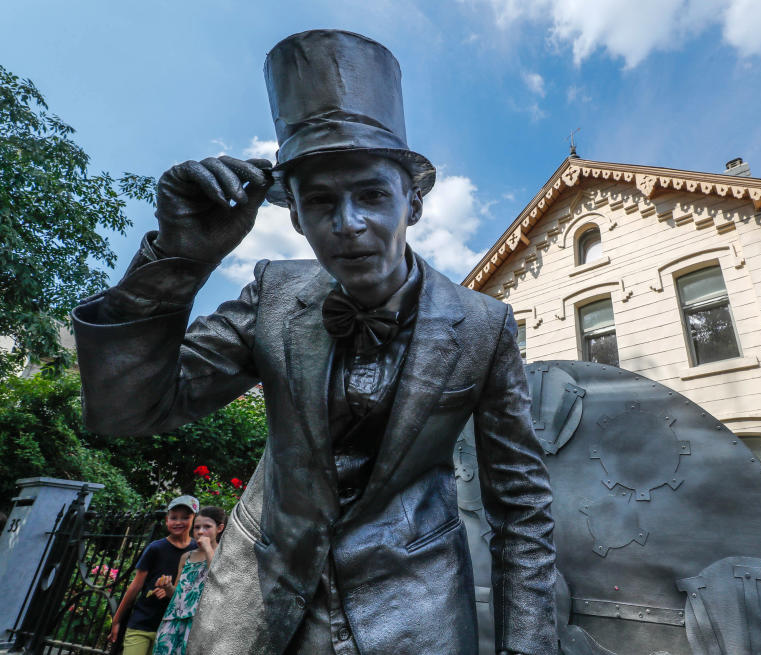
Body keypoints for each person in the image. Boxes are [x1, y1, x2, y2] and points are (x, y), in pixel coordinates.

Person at [72, 30, 556, 655]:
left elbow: (521, 508)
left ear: (413, 201)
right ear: (295, 216)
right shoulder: (272, 293)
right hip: (252, 610)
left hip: (415, 617)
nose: (348, 223)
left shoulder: (485, 326)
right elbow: (129, 410)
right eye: (321, 201)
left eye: (373, 195)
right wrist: (178, 262)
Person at [109, 496, 199, 655]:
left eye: (185, 517)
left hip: (170, 628)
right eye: (174, 517)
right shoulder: (155, 548)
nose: (178, 522)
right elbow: (135, 586)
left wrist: (170, 590)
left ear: (194, 519)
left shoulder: (197, 551)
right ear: (166, 520)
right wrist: (116, 621)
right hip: (141, 623)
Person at [152, 506, 226, 655]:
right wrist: (168, 587)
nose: (200, 531)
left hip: (198, 623)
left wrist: (207, 548)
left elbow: (217, 578)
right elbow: (177, 593)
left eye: (207, 527)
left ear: (219, 528)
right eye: (197, 527)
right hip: (173, 620)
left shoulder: (223, 554)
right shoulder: (187, 557)